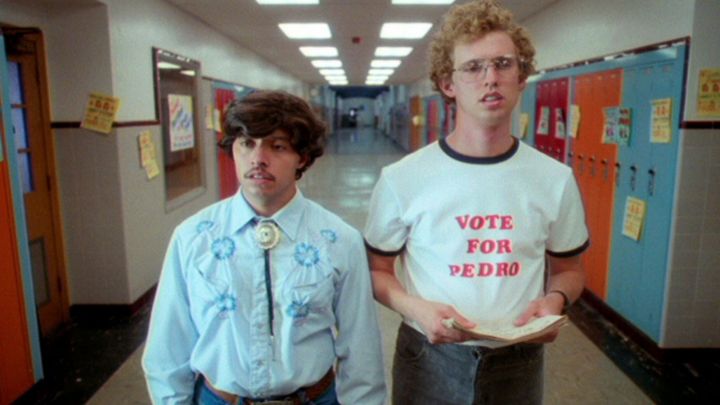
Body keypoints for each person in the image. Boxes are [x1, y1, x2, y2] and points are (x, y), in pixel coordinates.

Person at [364, 1, 589, 404]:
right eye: (473, 68)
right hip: (426, 357)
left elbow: (570, 269)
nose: (491, 79)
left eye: (504, 64)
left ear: (522, 78)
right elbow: (377, 270)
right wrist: (415, 308)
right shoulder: (403, 178)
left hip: (517, 361)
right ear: (448, 84)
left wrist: (555, 300)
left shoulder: (554, 179)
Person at [143, 90, 386, 405]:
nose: (258, 158)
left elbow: (361, 347)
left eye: (278, 146)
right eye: (246, 143)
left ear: (303, 157)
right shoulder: (193, 237)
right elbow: (168, 345)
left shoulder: (339, 239)